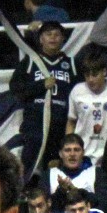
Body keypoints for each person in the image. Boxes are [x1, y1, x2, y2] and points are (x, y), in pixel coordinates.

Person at [10, 21, 76, 183]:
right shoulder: (30, 62)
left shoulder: (72, 64)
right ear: (41, 39)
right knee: (30, 168)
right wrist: (41, 86)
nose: (53, 38)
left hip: (60, 125)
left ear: (63, 39)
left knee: (55, 171)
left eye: (57, 34)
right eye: (48, 34)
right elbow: (16, 89)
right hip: (35, 125)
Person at [65, 57, 107, 163]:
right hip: (83, 155)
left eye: (94, 75)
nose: (90, 79)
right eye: (87, 75)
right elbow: (71, 122)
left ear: (104, 72)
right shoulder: (77, 91)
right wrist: (68, 147)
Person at [47, 134, 98, 207]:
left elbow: (104, 204)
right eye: (67, 150)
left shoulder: (96, 173)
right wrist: (61, 191)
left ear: (83, 152)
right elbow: (45, 206)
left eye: (76, 150)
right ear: (60, 154)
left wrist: (75, 190)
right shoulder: (49, 174)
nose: (72, 154)